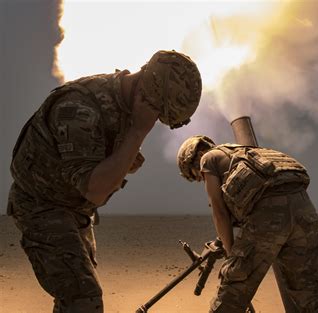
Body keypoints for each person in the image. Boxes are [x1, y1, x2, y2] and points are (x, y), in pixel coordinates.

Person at [7, 50, 202, 313]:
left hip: (74, 209)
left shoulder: (125, 101)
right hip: (41, 205)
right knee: (82, 298)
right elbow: (95, 190)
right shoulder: (78, 108)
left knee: (76, 292)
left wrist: (122, 158)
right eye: (156, 113)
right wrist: (136, 133)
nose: (153, 121)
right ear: (146, 93)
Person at [177, 135, 318, 313]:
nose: (202, 180)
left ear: (198, 154)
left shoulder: (208, 158)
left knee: (233, 289)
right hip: (304, 212)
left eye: (198, 176)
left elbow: (220, 212)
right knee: (312, 290)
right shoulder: (252, 153)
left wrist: (232, 255)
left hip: (269, 217)